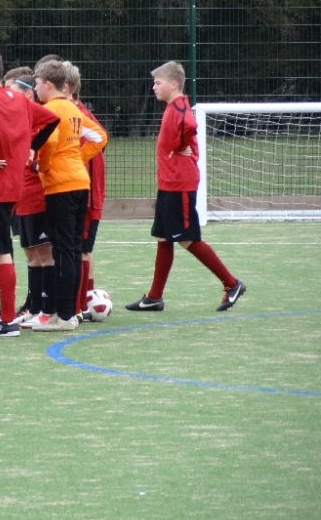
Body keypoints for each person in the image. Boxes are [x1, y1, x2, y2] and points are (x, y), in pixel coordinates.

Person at [125, 61, 246, 313]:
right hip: (169, 182)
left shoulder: (179, 107)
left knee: (187, 239)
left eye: (158, 83)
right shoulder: (173, 107)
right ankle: (154, 297)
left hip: (179, 183)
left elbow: (190, 125)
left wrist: (180, 146)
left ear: (173, 84)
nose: (154, 87)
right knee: (163, 237)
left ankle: (232, 283)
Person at [0, 51, 60, 337]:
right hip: (12, 185)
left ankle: (7, 320)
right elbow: (52, 119)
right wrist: (32, 146)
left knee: (0, 252)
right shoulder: (19, 99)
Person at [33, 60, 107, 332]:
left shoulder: (50, 110)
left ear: (48, 84)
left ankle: (64, 316)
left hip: (60, 185)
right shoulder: (73, 109)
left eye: (37, 83)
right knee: (73, 250)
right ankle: (69, 312)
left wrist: (43, 166)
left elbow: (50, 142)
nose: (35, 89)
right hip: (80, 183)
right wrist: (77, 158)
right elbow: (99, 137)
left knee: (63, 250)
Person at [4, 67, 57, 329]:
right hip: (21, 199)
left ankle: (49, 309)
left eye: (12, 92)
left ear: (27, 93)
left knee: (45, 255)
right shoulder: (18, 123)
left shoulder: (41, 123)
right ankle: (34, 307)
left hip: (38, 197)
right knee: (30, 255)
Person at [66, 66, 109, 320]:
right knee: (82, 249)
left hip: (84, 194)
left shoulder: (76, 116)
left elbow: (95, 145)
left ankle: (80, 305)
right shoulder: (79, 112)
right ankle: (84, 299)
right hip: (88, 193)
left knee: (79, 249)